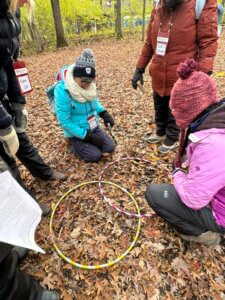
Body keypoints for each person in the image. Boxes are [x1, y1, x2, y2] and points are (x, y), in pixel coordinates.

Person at [145, 59, 225, 246]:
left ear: (189, 109)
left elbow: (193, 199)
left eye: (177, 111)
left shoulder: (212, 144)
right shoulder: (216, 121)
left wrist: (179, 175)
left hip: (220, 213)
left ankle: (204, 234)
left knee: (154, 193)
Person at [0, 0, 67, 213]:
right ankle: (24, 205)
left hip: (2, 90)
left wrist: (18, 104)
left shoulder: (11, 14)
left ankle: (43, 172)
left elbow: (11, 64)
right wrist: (2, 122)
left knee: (19, 134)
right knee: (4, 158)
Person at [131, 0, 218, 154]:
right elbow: (149, 44)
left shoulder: (201, 4)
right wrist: (139, 68)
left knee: (176, 107)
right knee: (159, 102)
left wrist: (203, 74)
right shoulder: (158, 5)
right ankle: (160, 132)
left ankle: (172, 137)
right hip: (158, 72)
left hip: (182, 73)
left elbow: (208, 41)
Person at [54, 48, 116, 162]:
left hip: (93, 126)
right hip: (76, 132)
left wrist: (103, 112)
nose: (86, 85)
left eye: (89, 81)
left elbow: (94, 102)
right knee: (94, 156)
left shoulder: (90, 86)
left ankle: (89, 142)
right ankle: (74, 145)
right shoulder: (62, 89)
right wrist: (87, 136)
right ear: (75, 76)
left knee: (110, 148)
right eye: (83, 81)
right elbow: (64, 121)